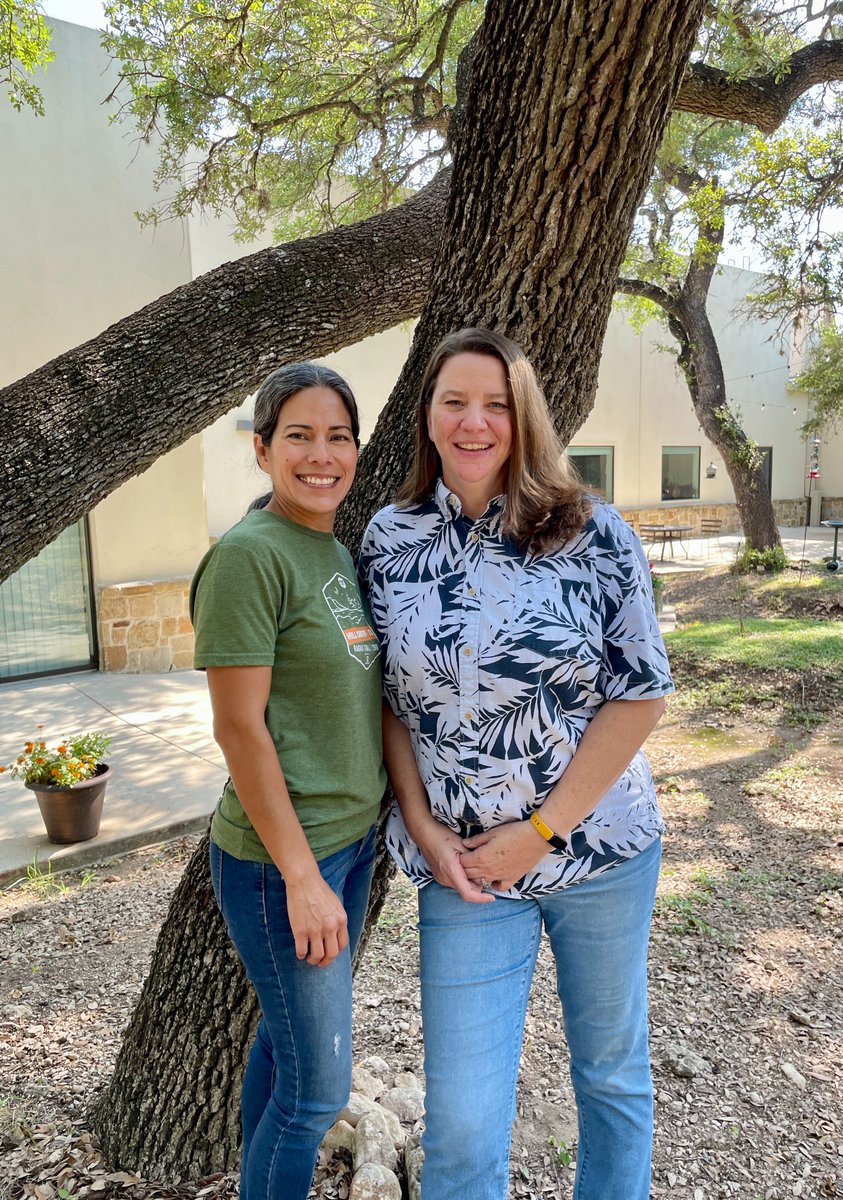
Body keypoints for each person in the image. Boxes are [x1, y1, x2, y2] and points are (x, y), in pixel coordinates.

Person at [359, 328, 673, 1200]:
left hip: (598, 852)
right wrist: (421, 824)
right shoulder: (389, 538)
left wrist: (540, 831)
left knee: (610, 1073)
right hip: (463, 874)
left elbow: (640, 691)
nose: (473, 422)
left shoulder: (592, 529)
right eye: (453, 401)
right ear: (426, 417)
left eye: (495, 404)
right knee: (461, 1123)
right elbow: (388, 697)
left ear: (523, 417)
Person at [190, 363, 386, 1200]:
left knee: (283, 1054)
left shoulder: (330, 547)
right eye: (298, 436)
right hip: (284, 865)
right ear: (263, 449)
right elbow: (239, 728)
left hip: (348, 846)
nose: (321, 454)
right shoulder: (247, 556)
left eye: (337, 436)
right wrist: (303, 877)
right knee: (317, 1095)